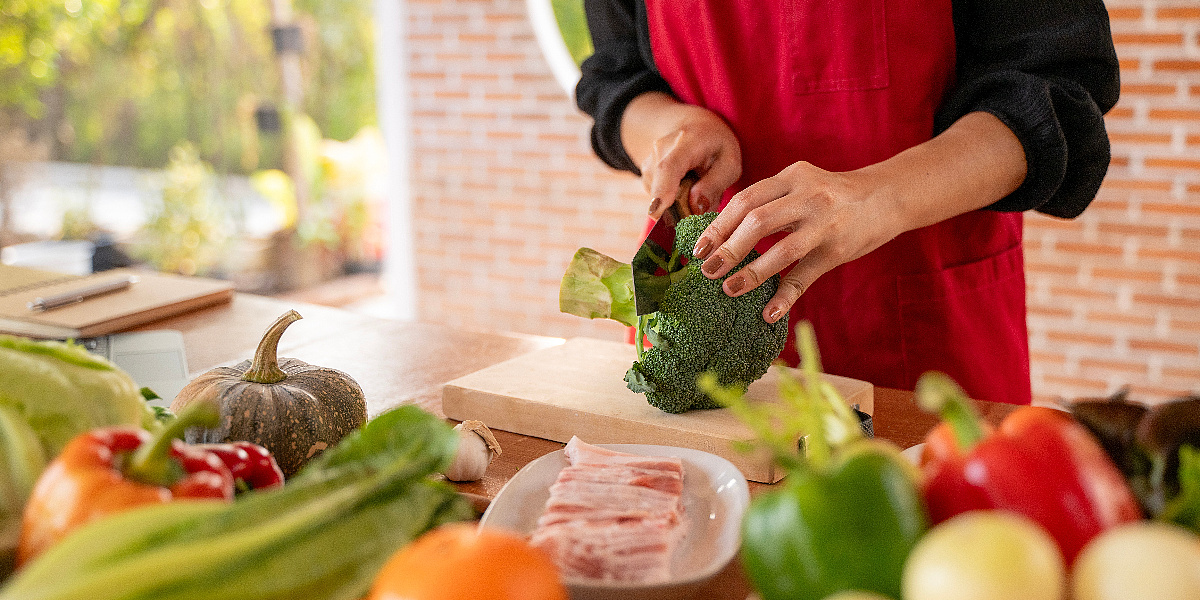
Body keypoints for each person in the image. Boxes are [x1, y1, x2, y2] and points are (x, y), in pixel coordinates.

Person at [574, 0, 1119, 405]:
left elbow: (1052, 87)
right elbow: (616, 78)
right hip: (694, 315)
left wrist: (881, 197)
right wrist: (670, 127)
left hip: (929, 327)